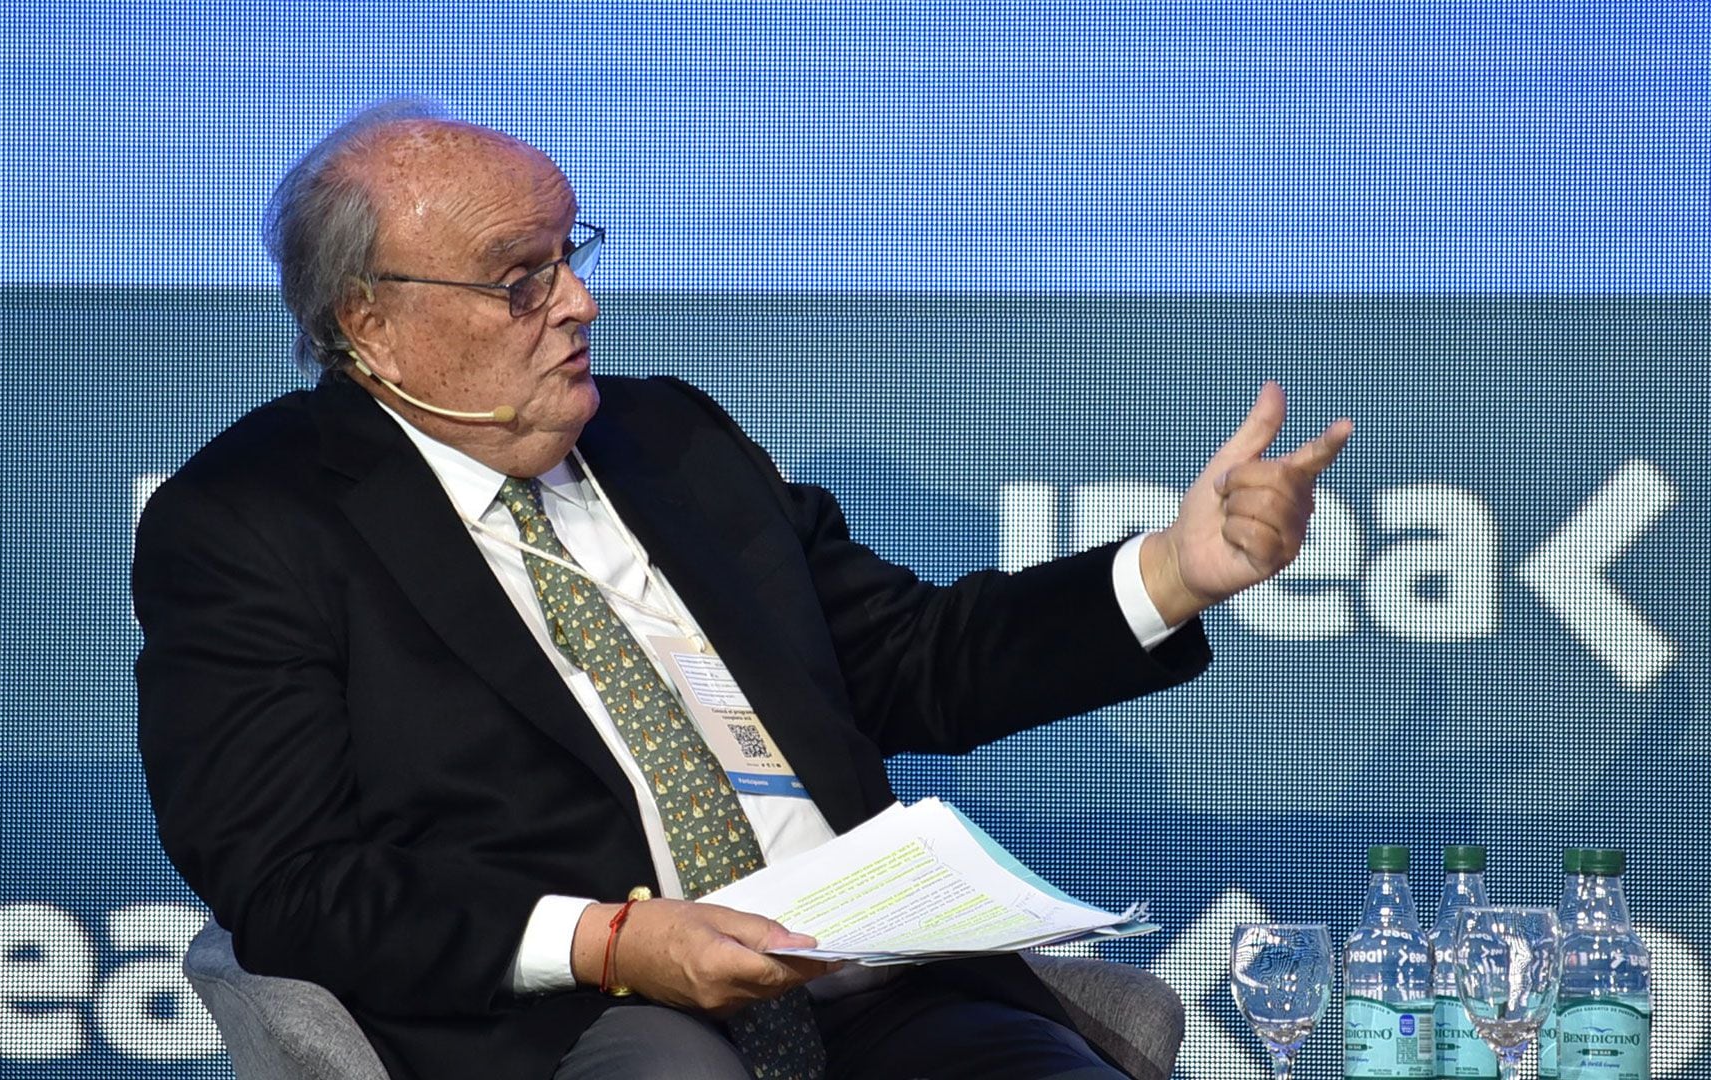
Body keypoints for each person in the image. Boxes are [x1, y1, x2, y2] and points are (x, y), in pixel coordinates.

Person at [133, 96, 1351, 1080]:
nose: (578, 302)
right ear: (371, 323)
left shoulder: (671, 442)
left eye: (571, 254)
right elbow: (292, 879)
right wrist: (612, 939)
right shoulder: (252, 521)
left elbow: (911, 661)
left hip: (868, 989)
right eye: (519, 279)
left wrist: (1175, 571)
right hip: (571, 1020)